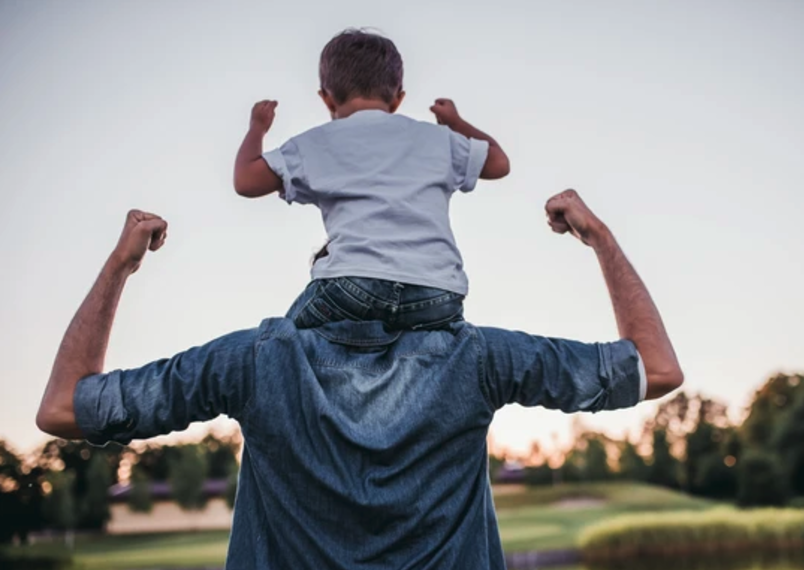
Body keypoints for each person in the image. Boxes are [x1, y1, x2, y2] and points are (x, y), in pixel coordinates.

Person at [36, 189, 683, 569]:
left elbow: (64, 408)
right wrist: (599, 237)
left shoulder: (256, 361)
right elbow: (656, 368)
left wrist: (121, 265)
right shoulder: (477, 358)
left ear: (322, 273)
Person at [233, 29, 511, 331]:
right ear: (398, 99)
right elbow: (499, 163)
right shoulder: (436, 139)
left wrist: (257, 128)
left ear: (326, 99)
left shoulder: (316, 143)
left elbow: (246, 181)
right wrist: (455, 123)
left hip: (353, 287)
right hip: (438, 293)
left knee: (282, 342)